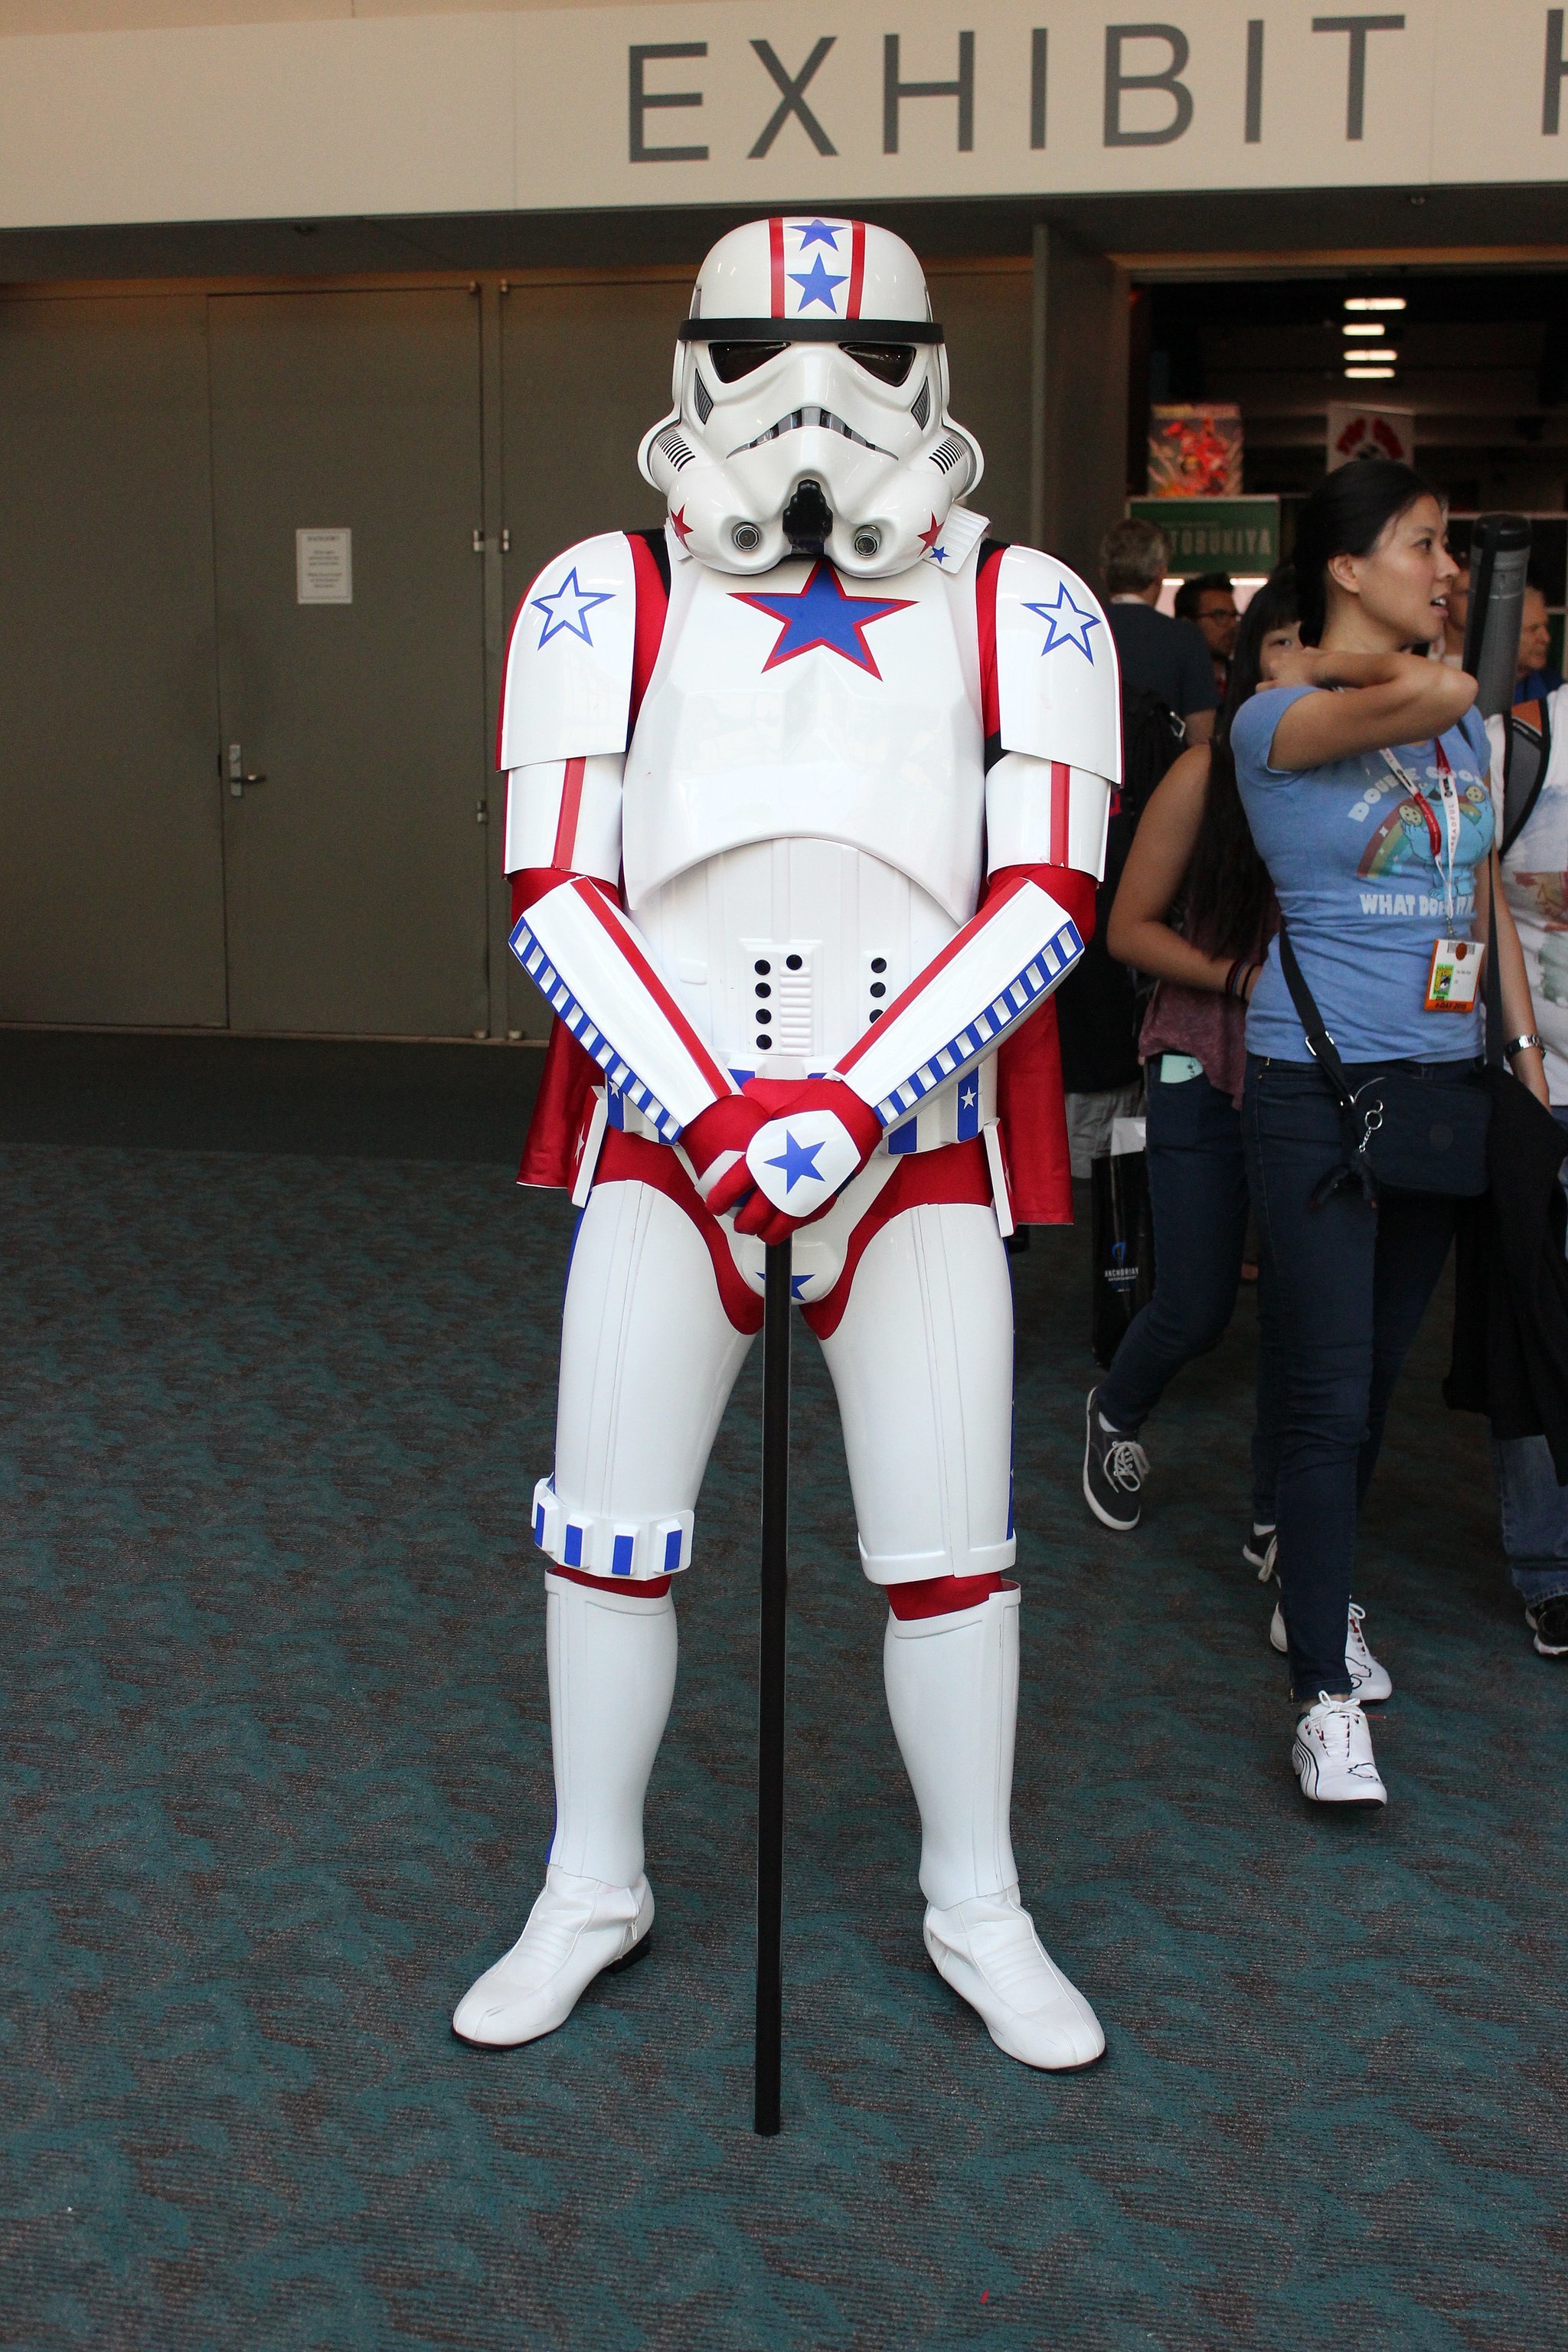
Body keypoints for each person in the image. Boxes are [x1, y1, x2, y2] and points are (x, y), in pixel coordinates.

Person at [452, 217, 1119, 2072]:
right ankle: (592, 1877)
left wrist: (847, 1099)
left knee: (947, 1552)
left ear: (932, 372)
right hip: (678, 1148)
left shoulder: (1019, 600)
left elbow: (1046, 889)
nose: (799, 393)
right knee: (603, 1532)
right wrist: (708, 1104)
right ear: (686, 362)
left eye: (846, 349)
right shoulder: (604, 591)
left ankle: (973, 1894)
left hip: (902, 1145)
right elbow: (553, 882)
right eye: (747, 343)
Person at [1230, 459, 1548, 1807]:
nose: (1445, 570)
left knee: (1366, 1386)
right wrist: (1441, 659)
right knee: (1321, 1385)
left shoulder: (1452, 730)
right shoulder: (1271, 718)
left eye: (1448, 552)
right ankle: (1318, 1698)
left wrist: (1522, 1061)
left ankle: (1318, 1587)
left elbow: (1475, 898)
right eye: (1421, 547)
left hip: (1437, 1087)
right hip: (1314, 1089)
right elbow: (1443, 685)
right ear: (1345, 568)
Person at [1486, 680, 1568, 1656]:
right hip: (1533, 1079)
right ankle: (1548, 1568)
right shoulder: (1525, 745)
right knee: (1530, 1322)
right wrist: (1518, 1063)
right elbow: (1472, 892)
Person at [1101, 519, 1220, 745]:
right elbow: (1201, 740)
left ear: (1104, 572)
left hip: (1092, 775)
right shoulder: (1186, 638)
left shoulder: (1080, 631)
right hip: (1164, 775)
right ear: (1160, 573)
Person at [1174, 570, 1239, 700]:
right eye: (1220, 616)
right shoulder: (1172, 681)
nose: (1232, 625)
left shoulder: (1244, 680)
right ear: (1188, 623)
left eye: (1233, 616)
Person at [1515, 583, 1566, 701]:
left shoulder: (1555, 690)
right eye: (1533, 629)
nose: (1546, 638)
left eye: (1545, 627)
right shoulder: (1469, 690)